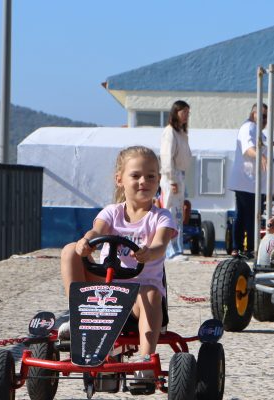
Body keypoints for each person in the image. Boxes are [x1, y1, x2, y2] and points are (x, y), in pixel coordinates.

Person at [59, 146, 175, 387]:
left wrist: (149, 252)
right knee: (70, 251)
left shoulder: (161, 217)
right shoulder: (112, 213)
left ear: (158, 180)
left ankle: (145, 362)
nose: (144, 181)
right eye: (136, 176)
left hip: (138, 295)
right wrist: (86, 242)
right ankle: (79, 316)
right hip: (105, 288)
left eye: (151, 176)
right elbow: (97, 231)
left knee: (151, 294)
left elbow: (161, 244)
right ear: (120, 179)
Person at [229, 104, 269, 257]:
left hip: (252, 182)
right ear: (254, 114)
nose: (265, 120)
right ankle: (243, 248)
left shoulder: (257, 130)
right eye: (263, 116)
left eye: (267, 117)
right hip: (247, 181)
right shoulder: (249, 127)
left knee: (249, 215)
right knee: (249, 216)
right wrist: (261, 156)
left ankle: (242, 247)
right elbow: (248, 148)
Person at [159, 100, 191, 260]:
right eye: (183, 112)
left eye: (187, 112)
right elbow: (166, 156)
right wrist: (172, 179)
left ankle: (177, 247)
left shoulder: (182, 133)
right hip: (172, 176)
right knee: (170, 212)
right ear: (175, 112)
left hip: (181, 174)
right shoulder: (170, 131)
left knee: (178, 214)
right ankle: (169, 250)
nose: (186, 115)